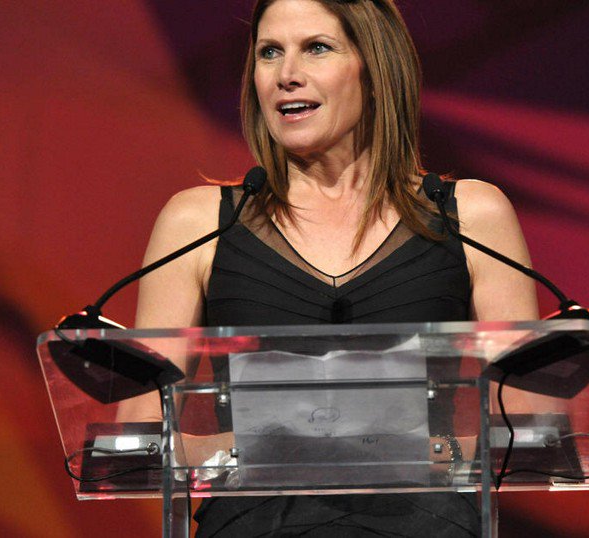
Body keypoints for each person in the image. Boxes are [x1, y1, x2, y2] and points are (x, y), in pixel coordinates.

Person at [121, 0, 538, 535]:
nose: (286, 74)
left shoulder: (471, 216)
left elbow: (529, 429)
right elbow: (137, 437)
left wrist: (429, 450)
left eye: (316, 48)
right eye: (270, 52)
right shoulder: (196, 224)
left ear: (375, 69)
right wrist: (262, 449)